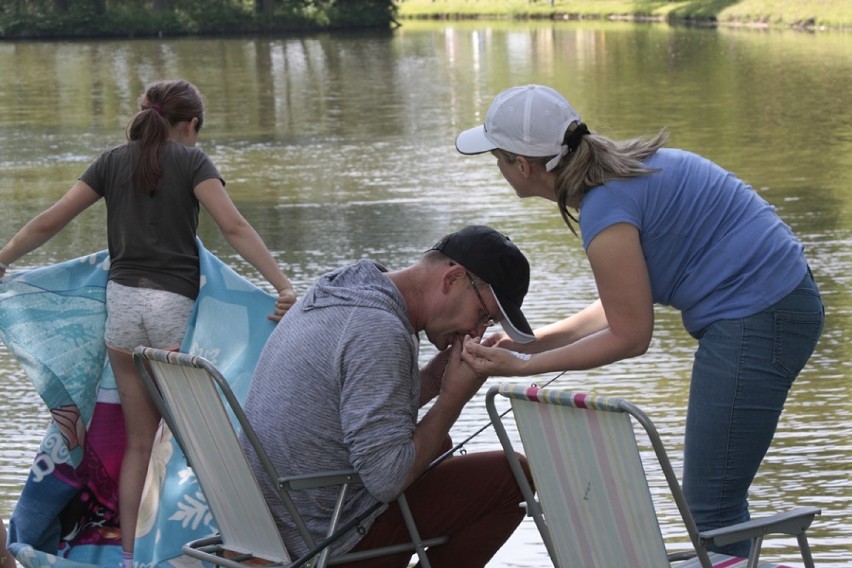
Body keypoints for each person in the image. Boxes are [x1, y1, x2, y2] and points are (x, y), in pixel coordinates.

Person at [454, 84, 824, 557]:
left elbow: (631, 336)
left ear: (522, 166)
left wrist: (524, 369)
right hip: (772, 309)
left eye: (498, 159)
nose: (500, 170)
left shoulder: (606, 210)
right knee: (715, 506)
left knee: (711, 510)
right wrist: (532, 343)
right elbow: (624, 304)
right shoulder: (616, 180)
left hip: (759, 316)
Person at [0, 79, 297, 568]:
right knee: (193, 439)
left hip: (123, 307)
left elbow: (51, 220)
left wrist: (4, 259)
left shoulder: (112, 160)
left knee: (140, 442)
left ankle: (131, 558)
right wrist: (283, 287)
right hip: (172, 310)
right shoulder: (194, 162)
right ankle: (210, 547)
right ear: (192, 124)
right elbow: (234, 227)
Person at [241, 225, 535, 568]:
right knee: (512, 474)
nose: (477, 331)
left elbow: (357, 399)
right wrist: (453, 399)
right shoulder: (380, 330)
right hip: (321, 540)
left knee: (436, 446)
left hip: (267, 524)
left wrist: (434, 379)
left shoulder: (343, 289)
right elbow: (386, 479)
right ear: (453, 279)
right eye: (483, 315)